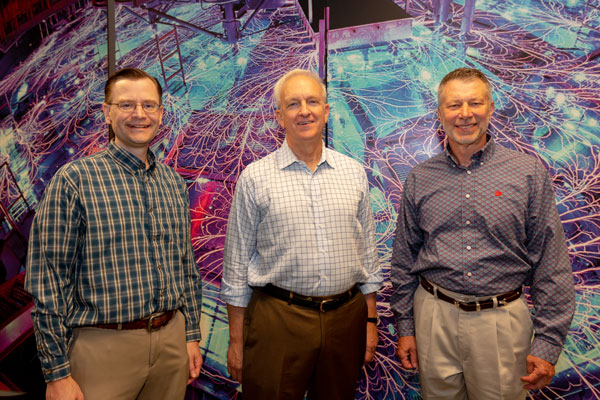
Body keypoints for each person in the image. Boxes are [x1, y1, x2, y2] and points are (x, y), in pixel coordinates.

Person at [391, 67, 575, 399]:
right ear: (439, 113)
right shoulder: (420, 178)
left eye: (475, 103)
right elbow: (404, 259)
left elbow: (552, 264)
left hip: (500, 323)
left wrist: (548, 342)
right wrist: (406, 328)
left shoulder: (527, 173)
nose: (464, 114)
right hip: (433, 317)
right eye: (454, 105)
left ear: (491, 108)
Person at [26, 67, 203, 400]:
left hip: (172, 342)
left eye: (149, 105)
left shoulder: (174, 183)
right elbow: (47, 281)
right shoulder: (74, 181)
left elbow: (186, 267)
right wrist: (56, 373)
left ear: (161, 113)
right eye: (126, 105)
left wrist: (191, 334)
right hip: (102, 348)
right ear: (107, 113)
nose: (139, 114)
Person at [221, 69, 383, 399]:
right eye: (293, 104)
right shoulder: (255, 178)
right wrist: (236, 342)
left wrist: (370, 321)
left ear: (326, 110)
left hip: (346, 318)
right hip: (278, 320)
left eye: (312, 101)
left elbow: (367, 255)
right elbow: (236, 268)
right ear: (280, 117)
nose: (304, 111)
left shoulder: (353, 173)